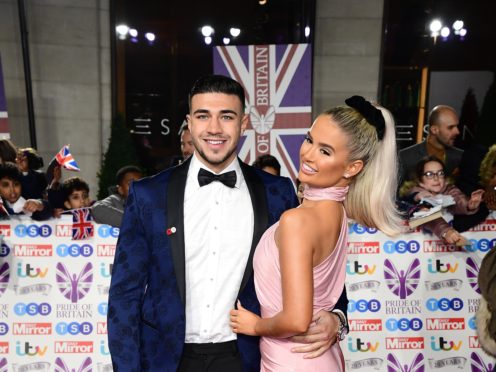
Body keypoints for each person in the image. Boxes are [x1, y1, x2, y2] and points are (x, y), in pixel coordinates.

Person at [108, 75, 346, 372]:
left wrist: (338, 317)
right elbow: (124, 294)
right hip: (166, 359)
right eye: (203, 116)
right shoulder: (148, 195)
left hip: (248, 356)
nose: (214, 128)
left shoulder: (277, 192)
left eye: (227, 116)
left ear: (244, 122)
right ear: (189, 123)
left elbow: (320, 266)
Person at [230, 96, 402, 371]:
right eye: (309, 140)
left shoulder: (298, 220)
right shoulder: (337, 213)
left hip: (294, 360)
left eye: (325, 151)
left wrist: (255, 325)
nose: (308, 154)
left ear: (352, 168)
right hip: (319, 357)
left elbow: (297, 321)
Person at [404, 156, 483, 244]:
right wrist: (446, 232)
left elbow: (458, 199)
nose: (436, 178)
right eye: (429, 174)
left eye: (440, 173)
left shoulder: (450, 190)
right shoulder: (415, 195)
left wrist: (469, 205)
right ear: (420, 181)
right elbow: (427, 216)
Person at [399, 105, 463, 184]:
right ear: (434, 130)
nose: (457, 131)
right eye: (451, 127)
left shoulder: (462, 157)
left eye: (457, 126)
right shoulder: (405, 157)